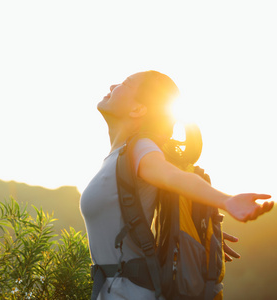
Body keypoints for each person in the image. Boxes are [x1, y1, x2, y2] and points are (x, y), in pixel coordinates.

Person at [80, 70, 274, 300]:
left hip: (132, 293)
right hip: (115, 291)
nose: (113, 86)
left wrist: (226, 201)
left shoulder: (141, 148)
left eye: (125, 83)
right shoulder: (118, 157)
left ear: (138, 109)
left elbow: (173, 177)